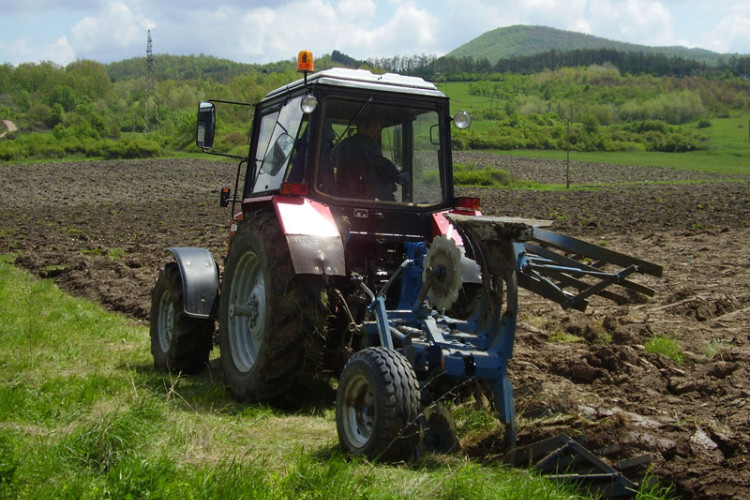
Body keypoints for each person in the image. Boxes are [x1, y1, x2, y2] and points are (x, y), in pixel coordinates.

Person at [331, 118, 407, 200]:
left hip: (342, 196)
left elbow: (332, 160)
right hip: (366, 196)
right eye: (374, 127)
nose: (378, 132)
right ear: (362, 128)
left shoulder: (344, 144)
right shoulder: (370, 145)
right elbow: (377, 167)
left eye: (379, 129)